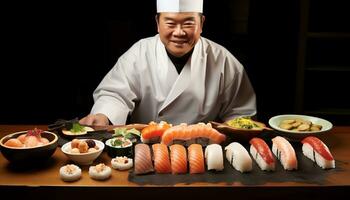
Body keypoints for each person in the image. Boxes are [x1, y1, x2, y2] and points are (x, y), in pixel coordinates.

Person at [79, 0, 256, 126]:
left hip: (203, 151)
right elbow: (115, 94)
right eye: (170, 23)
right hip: (148, 147)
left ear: (201, 23)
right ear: (157, 23)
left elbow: (240, 113)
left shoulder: (223, 59)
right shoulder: (139, 53)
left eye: (188, 23)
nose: (178, 32)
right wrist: (103, 114)